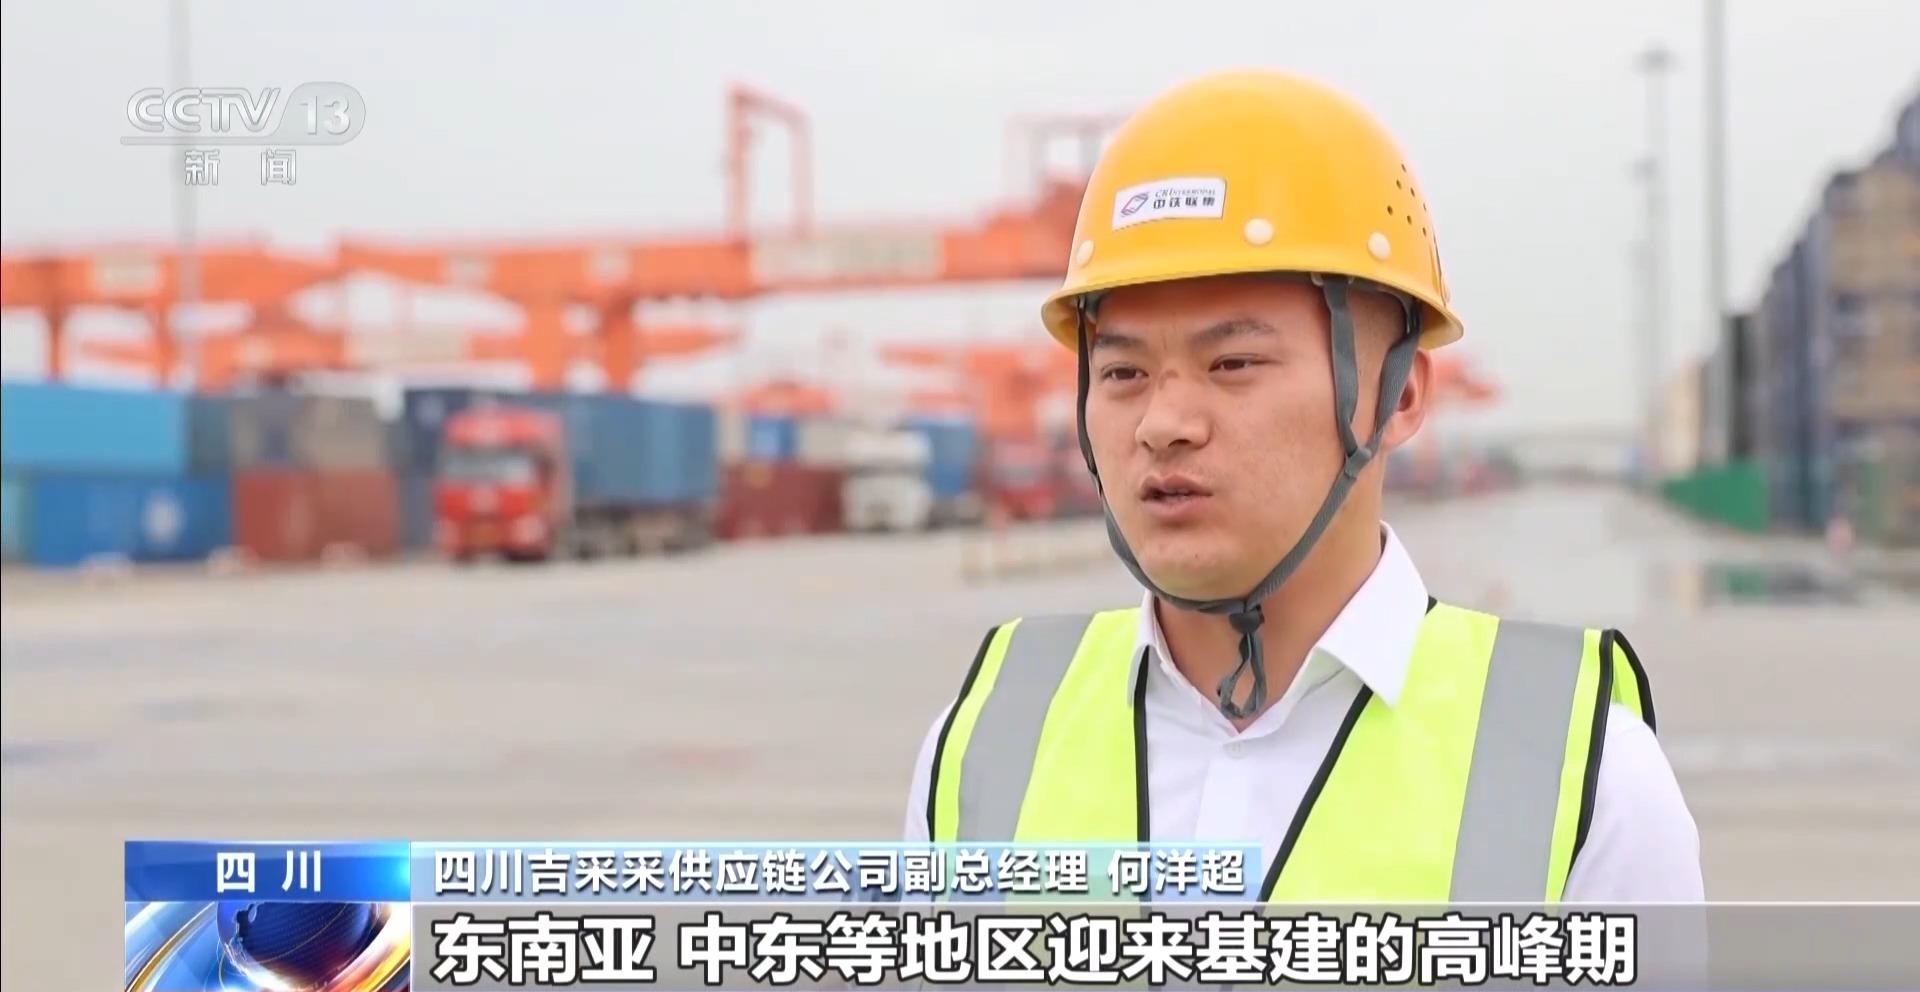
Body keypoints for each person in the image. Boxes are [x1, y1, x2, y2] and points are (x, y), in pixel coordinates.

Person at [902, 69, 1704, 906]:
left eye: (1233, 363)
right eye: (1123, 372)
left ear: (1398, 395)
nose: (1163, 423)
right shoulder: (984, 745)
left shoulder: (1583, 777)